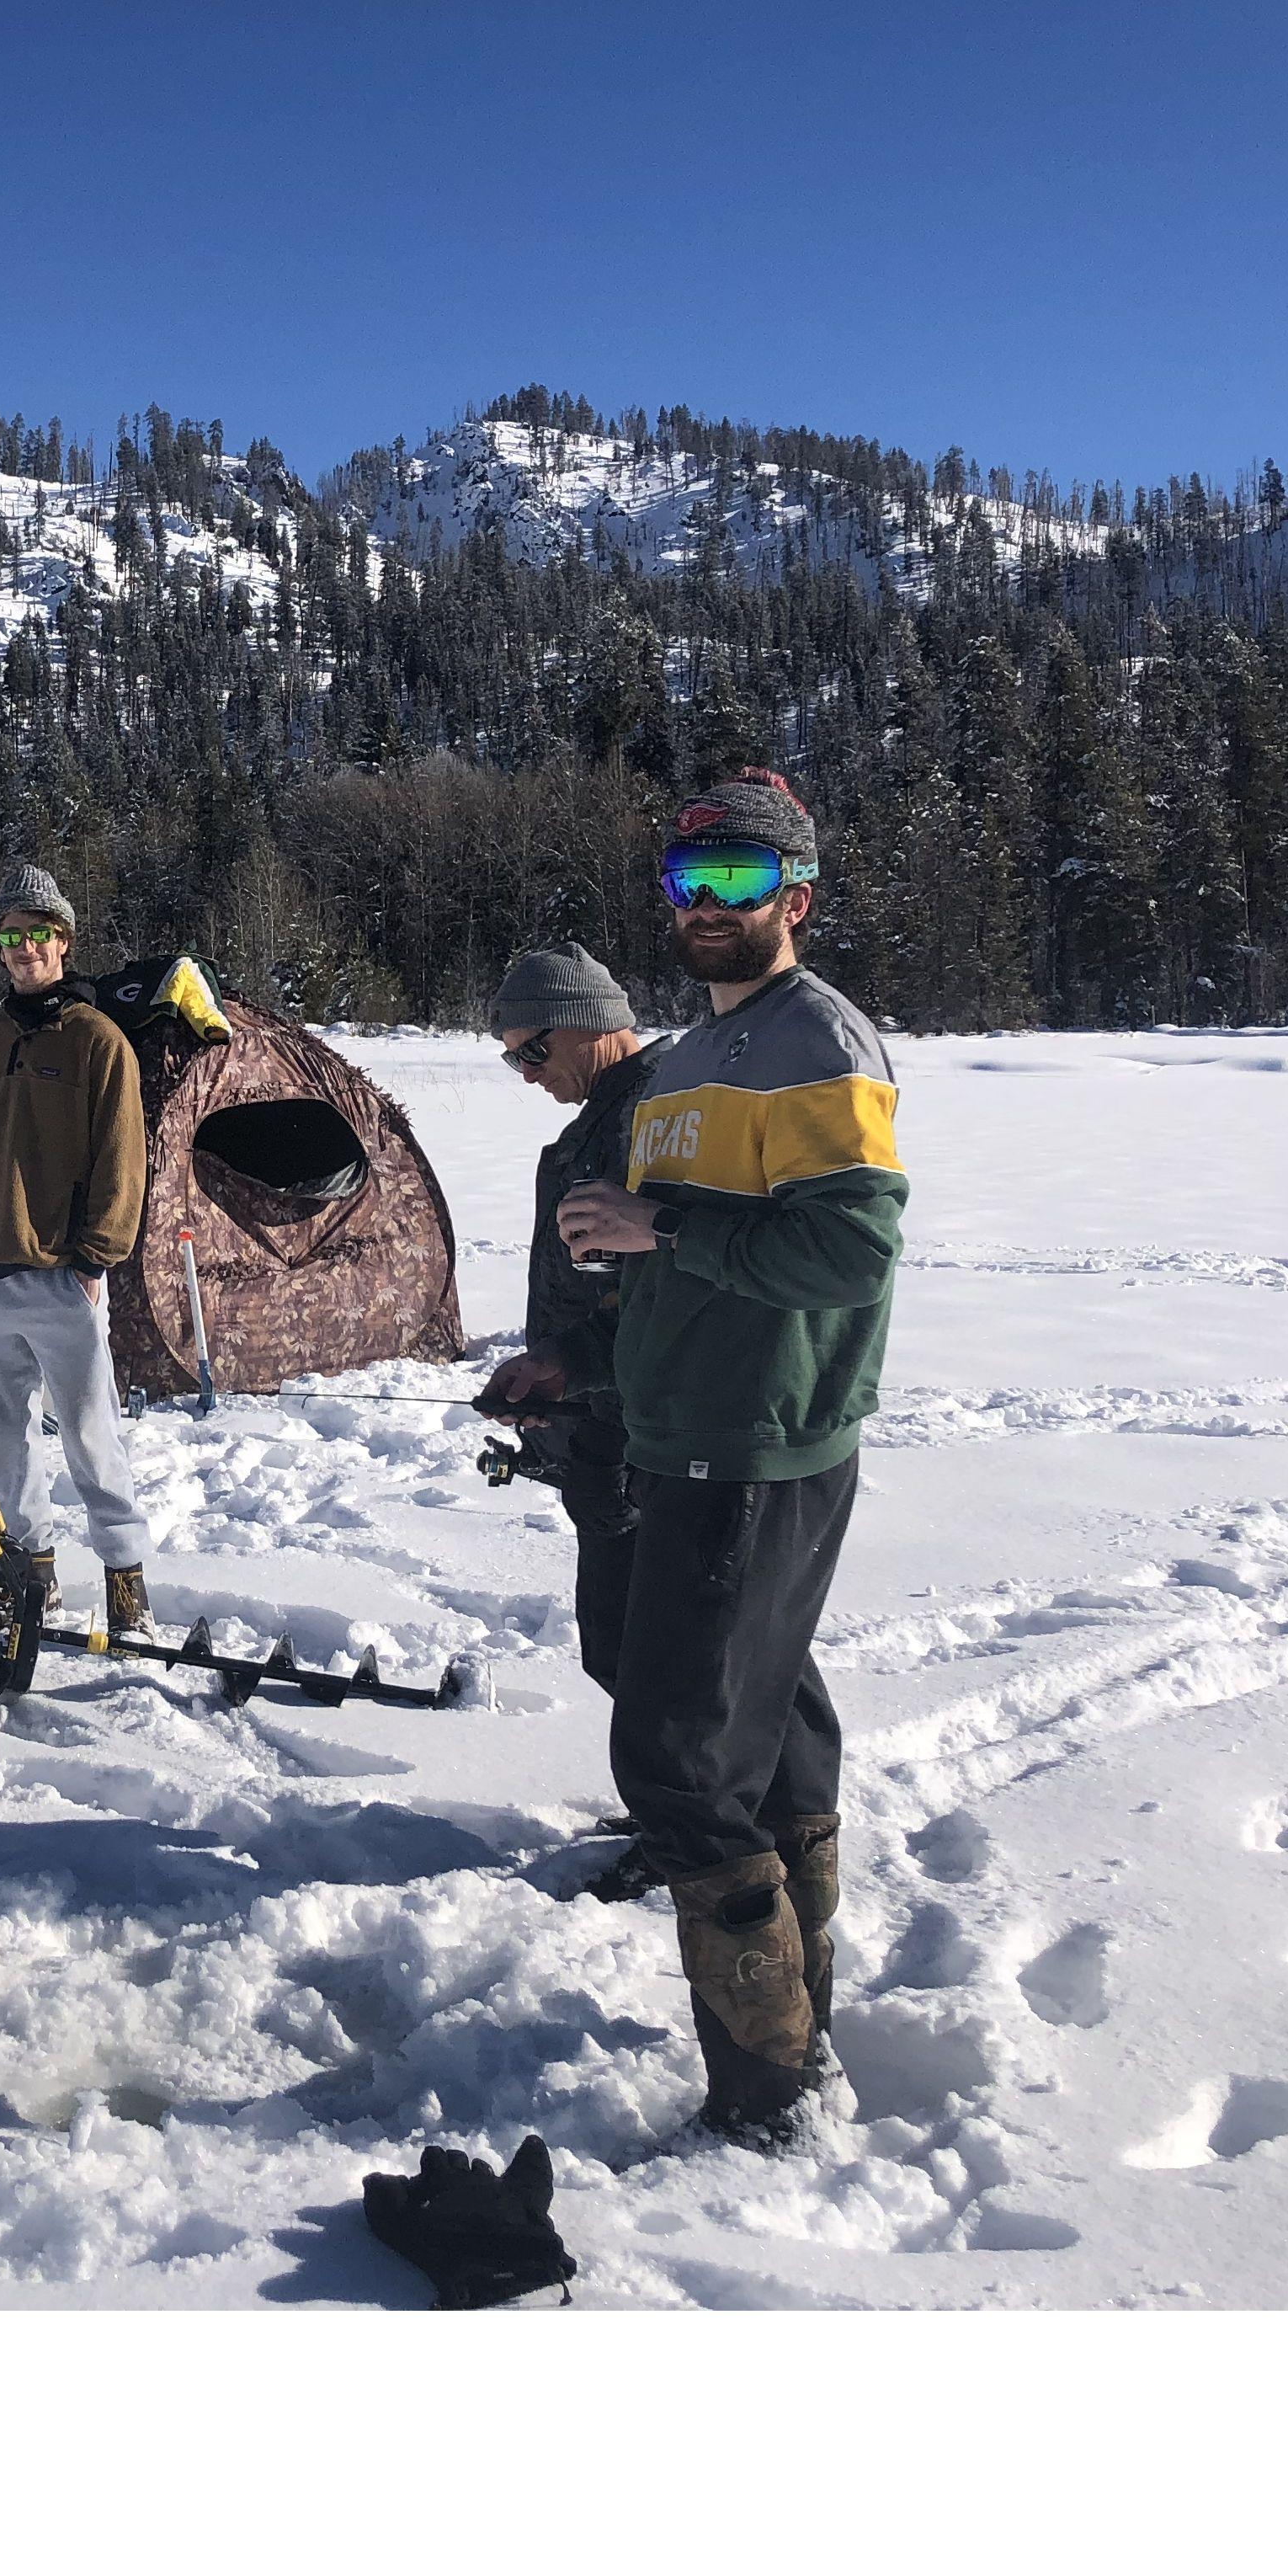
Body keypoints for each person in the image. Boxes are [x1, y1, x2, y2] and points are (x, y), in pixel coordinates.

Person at [555, 771, 905, 2143]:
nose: (706, 909)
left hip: (758, 1444)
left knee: (677, 1761)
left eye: (739, 884)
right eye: (686, 883)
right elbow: (699, 1227)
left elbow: (848, 1247)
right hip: (688, 1430)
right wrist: (626, 1250)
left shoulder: (816, 1039)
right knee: (772, 1738)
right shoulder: (691, 1061)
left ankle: (768, 2093)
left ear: (796, 899)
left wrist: (664, 1237)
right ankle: (799, 2029)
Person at [0, 861, 156, 1635]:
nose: (24, 948)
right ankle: (32, 1578)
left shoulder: (98, 1042)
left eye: (38, 934)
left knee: (94, 1437)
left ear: (63, 941)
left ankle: (126, 1579)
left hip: (59, 1275)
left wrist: (96, 1260)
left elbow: (124, 1157)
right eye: (10, 936)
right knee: (3, 1449)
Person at [479, 945, 661, 1696]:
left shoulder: (652, 1116)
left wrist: (579, 1375)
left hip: (637, 1429)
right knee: (625, 1643)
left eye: (534, 1051)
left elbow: (658, 1294)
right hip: (595, 1407)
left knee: (648, 1648)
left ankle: (716, 1811)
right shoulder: (608, 1115)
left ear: (588, 1023)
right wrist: (553, 1368)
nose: (527, 1073)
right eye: (513, 1060)